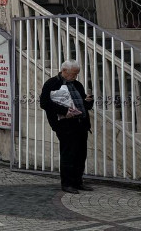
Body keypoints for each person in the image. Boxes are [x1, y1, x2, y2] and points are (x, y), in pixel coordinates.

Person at [39, 60, 95, 193]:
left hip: (81, 124)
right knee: (68, 154)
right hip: (65, 125)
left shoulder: (77, 84)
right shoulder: (52, 83)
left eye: (77, 74)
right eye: (73, 74)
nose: (75, 76)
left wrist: (88, 101)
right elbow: (44, 103)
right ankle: (67, 184)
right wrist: (64, 111)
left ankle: (78, 182)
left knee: (81, 155)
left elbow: (85, 105)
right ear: (64, 71)